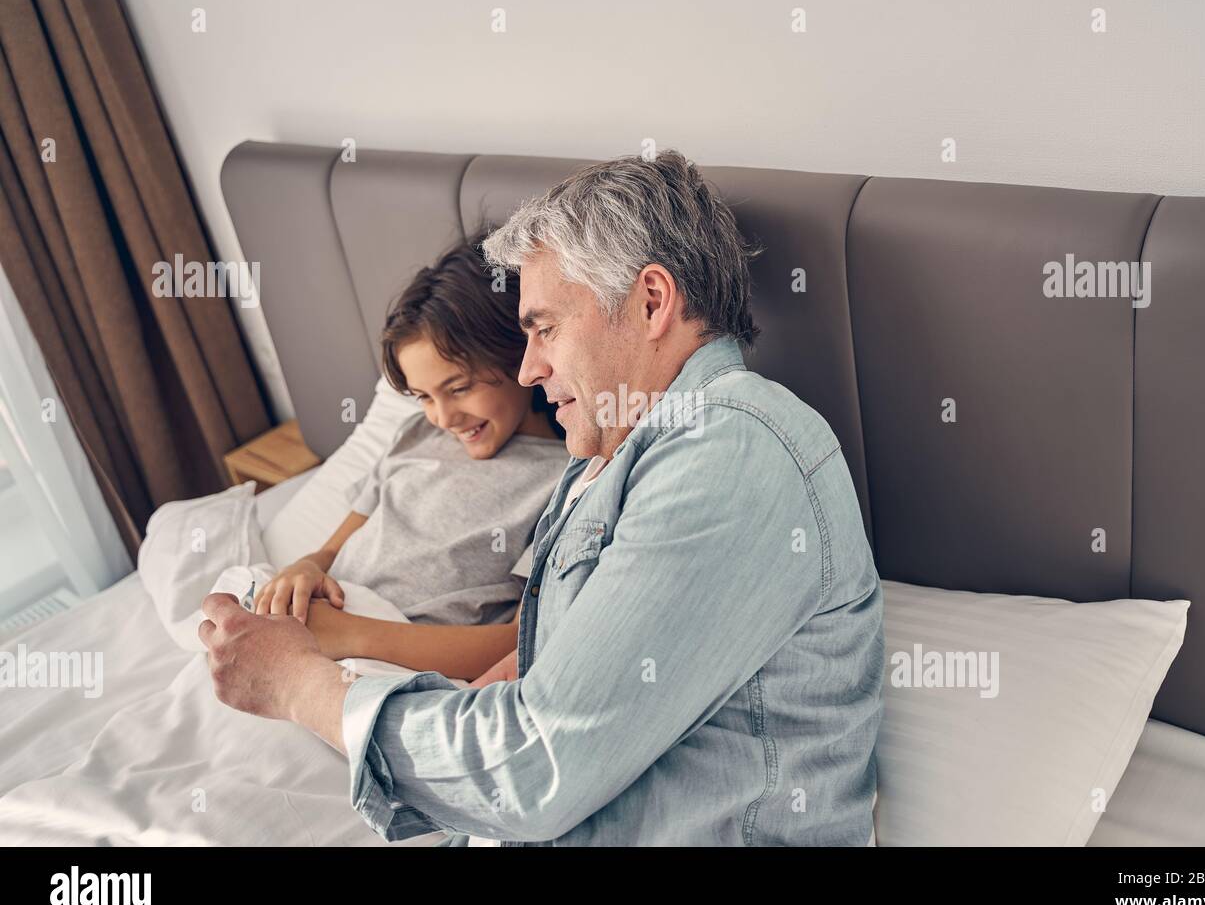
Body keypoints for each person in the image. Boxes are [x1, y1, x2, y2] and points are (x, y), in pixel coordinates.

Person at [199, 149, 886, 846]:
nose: (530, 368)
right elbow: (544, 694)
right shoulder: (604, 466)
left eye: (544, 327)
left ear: (651, 301)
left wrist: (299, 685)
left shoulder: (734, 448)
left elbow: (535, 768)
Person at [251, 234, 568, 683]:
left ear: (520, 355)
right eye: (423, 396)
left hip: (385, 658)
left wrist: (348, 635)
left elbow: (517, 644)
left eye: (459, 388)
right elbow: (334, 547)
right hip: (323, 619)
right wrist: (306, 567)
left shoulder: (563, 481)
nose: (443, 417)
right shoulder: (414, 433)